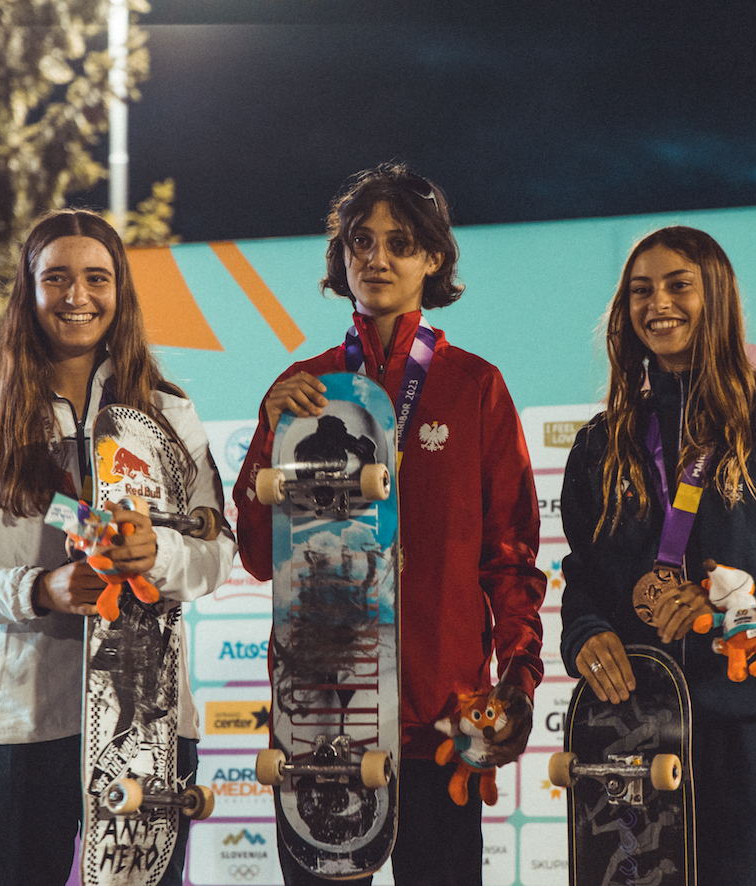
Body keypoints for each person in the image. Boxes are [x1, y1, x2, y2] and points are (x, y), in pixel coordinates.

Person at [232, 163, 546, 886]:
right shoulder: (302, 388)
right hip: (321, 720)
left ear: (433, 258)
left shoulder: (473, 386)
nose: (376, 258)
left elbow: (510, 558)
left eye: (399, 243)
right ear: (340, 257)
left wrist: (518, 681)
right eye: (360, 241)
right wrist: (270, 431)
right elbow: (254, 555)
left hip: (441, 719)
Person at [0, 209, 235, 886]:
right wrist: (38, 590)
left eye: (96, 277)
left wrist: (158, 555)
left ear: (119, 292)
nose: (76, 295)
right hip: (16, 730)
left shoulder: (168, 413)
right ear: (27, 295)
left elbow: (215, 551)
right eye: (55, 278)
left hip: (145, 723)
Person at [558, 226, 756, 884]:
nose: (656, 303)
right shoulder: (599, 443)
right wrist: (585, 632)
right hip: (631, 730)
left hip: (751, 723)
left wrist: (749, 609)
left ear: (716, 297)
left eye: (678, 285)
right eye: (640, 290)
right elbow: (582, 576)